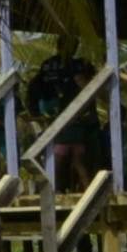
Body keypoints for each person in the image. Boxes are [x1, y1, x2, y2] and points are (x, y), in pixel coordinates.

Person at [29, 33, 94, 187]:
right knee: (76, 158)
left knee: (59, 158)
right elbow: (85, 87)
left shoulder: (47, 64)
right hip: (71, 115)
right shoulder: (76, 65)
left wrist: (37, 114)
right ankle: (80, 190)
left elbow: (34, 88)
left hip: (54, 116)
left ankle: (54, 191)